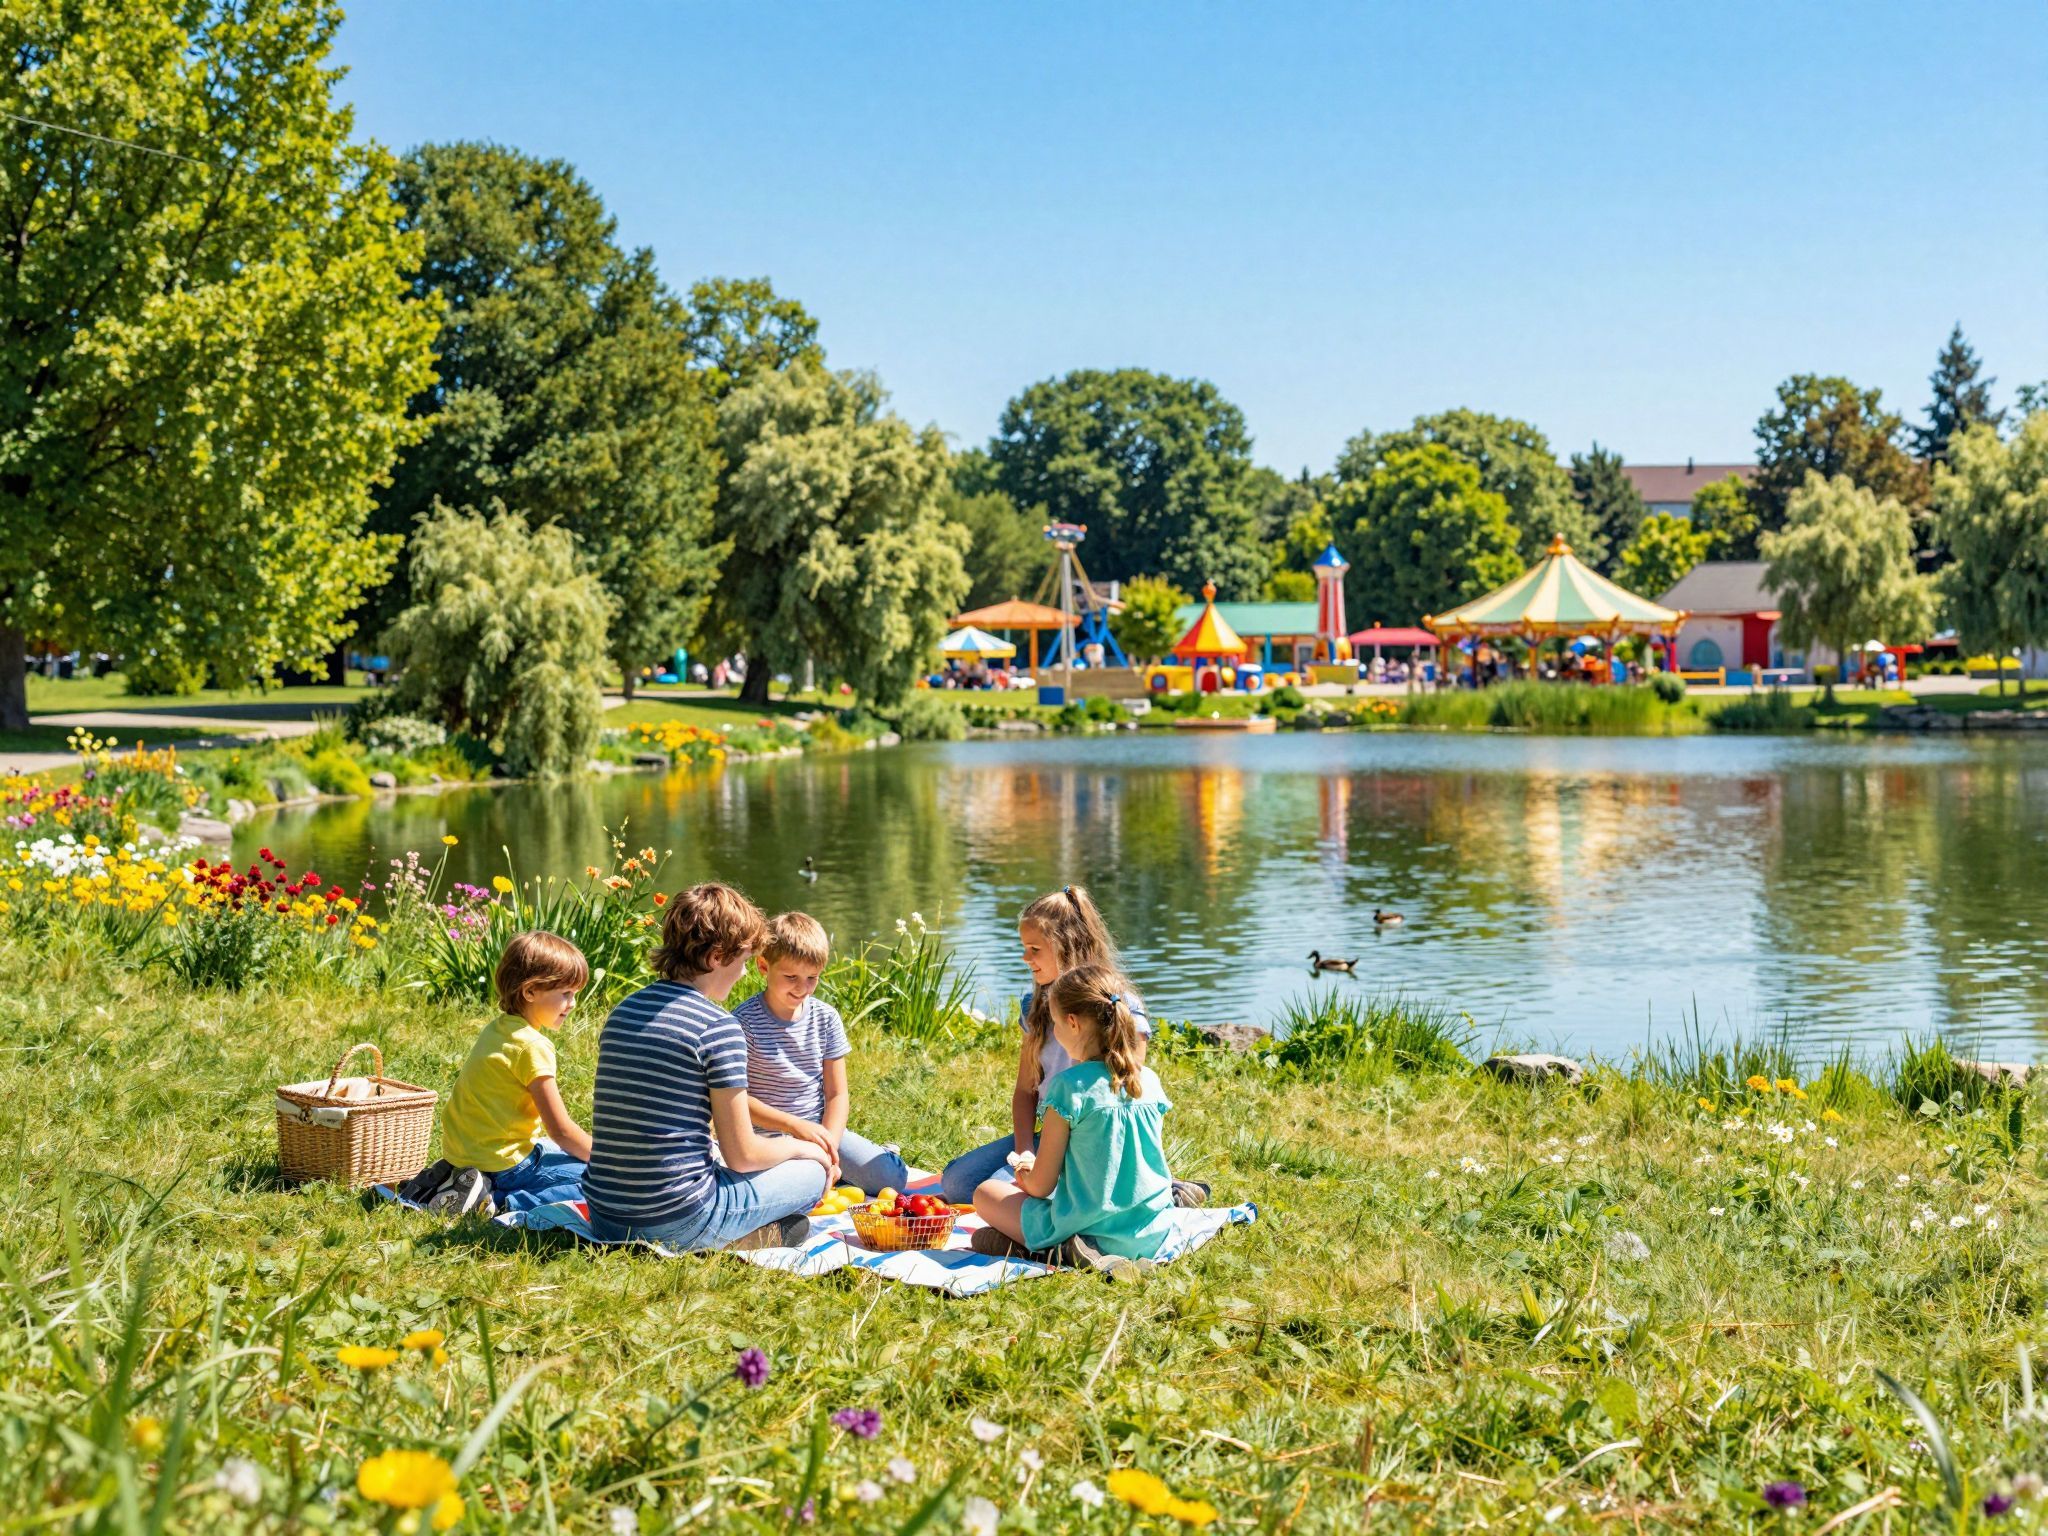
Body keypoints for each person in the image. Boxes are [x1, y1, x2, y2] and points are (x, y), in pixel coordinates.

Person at [583, 884, 833, 1251]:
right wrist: (803, 1150)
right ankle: (727, 1239)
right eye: (745, 960)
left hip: (605, 1215)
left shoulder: (624, 1010)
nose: (744, 972)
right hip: (679, 1218)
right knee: (813, 1171)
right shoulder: (717, 1026)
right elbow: (743, 1155)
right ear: (718, 957)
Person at [940, 887, 1205, 1208]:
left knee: (1002, 1192)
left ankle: (1161, 1190)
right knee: (958, 1183)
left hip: (1100, 1144)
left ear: (1067, 946)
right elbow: (1026, 1091)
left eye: (1034, 949)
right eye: (1024, 948)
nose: (1026, 958)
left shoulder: (1118, 1007)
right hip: (1052, 1137)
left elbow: (1129, 1100)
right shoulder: (1034, 1007)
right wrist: (1026, 1149)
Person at [971, 964, 1176, 1277]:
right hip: (1151, 1232)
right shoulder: (1149, 1080)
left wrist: (1024, 1171)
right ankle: (1049, 1247)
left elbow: (1041, 1187)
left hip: (1088, 1228)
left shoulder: (1069, 1087)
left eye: (1054, 1023)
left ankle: (1064, 1249)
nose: (1053, 1031)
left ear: (1072, 1023)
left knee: (985, 1194)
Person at [416, 930, 593, 1218]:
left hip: (462, 1153)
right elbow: (560, 1131)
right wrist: (608, 1163)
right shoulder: (533, 1046)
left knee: (562, 1158)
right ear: (530, 991)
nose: (573, 1003)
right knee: (596, 1182)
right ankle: (496, 1201)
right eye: (566, 993)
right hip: (504, 1164)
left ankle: (453, 1183)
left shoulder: (498, 1029)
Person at [733, 911, 908, 1195]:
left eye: (812, 978)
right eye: (791, 976)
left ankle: (877, 1155)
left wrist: (828, 1145)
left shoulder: (825, 1018)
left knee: (891, 1179)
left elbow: (837, 1094)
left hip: (820, 1130)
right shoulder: (743, 1023)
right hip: (767, 1138)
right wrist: (794, 1127)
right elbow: (738, 1101)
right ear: (764, 967)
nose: (802, 988)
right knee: (779, 1187)